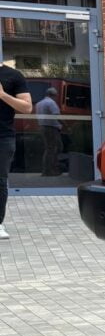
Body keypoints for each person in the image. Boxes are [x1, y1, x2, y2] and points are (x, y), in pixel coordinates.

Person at [0, 62, 34, 240]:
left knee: (0, 180)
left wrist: (2, 95)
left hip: (2, 137)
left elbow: (27, 108)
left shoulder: (13, 75)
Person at [36, 87, 63, 177]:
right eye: (56, 95)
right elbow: (56, 116)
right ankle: (49, 171)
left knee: (50, 149)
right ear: (53, 95)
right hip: (51, 128)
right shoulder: (51, 103)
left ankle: (49, 170)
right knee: (53, 149)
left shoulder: (39, 103)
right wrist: (67, 126)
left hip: (43, 127)